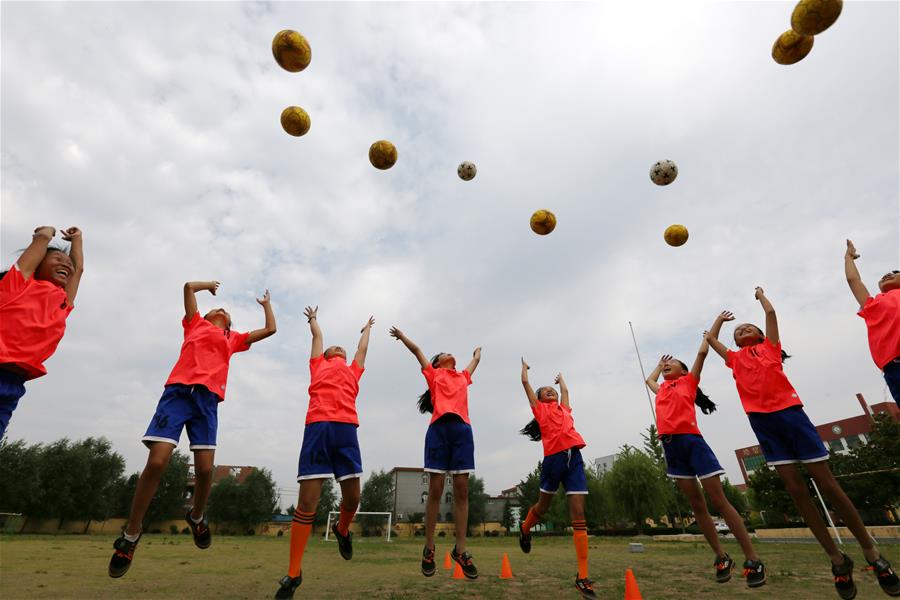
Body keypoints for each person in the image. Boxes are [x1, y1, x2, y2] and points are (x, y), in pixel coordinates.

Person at [706, 288, 899, 599]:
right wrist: (718, 320)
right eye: (738, 330)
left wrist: (761, 297)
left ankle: (872, 554)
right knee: (797, 492)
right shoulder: (734, 359)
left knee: (828, 484)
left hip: (791, 415)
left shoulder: (770, 347)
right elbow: (712, 341)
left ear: (759, 335)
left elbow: (770, 316)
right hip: (764, 423)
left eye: (748, 327)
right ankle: (837, 560)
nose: (742, 329)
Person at [108, 281, 277, 578]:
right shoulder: (194, 324)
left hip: (207, 402)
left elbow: (270, 330)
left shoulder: (233, 338)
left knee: (204, 470)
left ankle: (197, 516)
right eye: (217, 307)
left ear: (229, 324)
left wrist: (266, 306)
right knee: (158, 461)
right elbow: (187, 287)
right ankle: (132, 535)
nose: (221, 309)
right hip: (177, 396)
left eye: (225, 311)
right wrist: (206, 286)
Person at [645, 331, 765, 588]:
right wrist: (658, 365)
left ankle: (753, 559)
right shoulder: (662, 389)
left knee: (718, 501)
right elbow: (649, 380)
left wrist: (714, 329)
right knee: (697, 506)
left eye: (671, 363)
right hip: (672, 449)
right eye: (666, 364)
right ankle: (721, 557)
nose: (667, 365)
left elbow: (702, 353)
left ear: (684, 371)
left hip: (693, 444)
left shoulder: (688, 382)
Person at [275, 307, 374, 599]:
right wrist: (313, 319)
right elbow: (317, 336)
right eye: (334, 346)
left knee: (353, 497)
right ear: (326, 354)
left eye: (341, 347)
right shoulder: (317, 363)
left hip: (346, 430)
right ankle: (293, 573)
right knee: (307, 503)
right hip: (317, 428)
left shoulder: (353, 369)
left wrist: (367, 328)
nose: (338, 347)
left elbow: (362, 348)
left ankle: (343, 530)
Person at [389, 326, 481, 579]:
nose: (450, 354)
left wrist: (477, 355)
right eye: (443, 353)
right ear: (437, 363)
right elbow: (418, 350)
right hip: (439, 431)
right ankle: (429, 547)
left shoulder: (462, 377)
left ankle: (460, 550)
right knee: (436, 490)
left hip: (463, 432)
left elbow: (474, 364)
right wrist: (402, 336)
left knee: (462, 491)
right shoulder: (433, 374)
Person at [517, 358, 595, 598]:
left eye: (551, 390)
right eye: (544, 391)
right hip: (553, 461)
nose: (549, 391)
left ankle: (582, 577)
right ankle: (525, 527)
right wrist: (525, 370)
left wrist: (561, 381)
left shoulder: (565, 409)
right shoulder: (540, 410)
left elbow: (566, 392)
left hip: (575, 460)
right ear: (539, 399)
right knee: (543, 506)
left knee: (579, 515)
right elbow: (525, 384)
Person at [0, 225, 84, 439]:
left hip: (14, 385)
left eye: (68, 264)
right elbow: (34, 252)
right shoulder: (18, 285)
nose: (66, 264)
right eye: (57, 259)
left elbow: (79, 269)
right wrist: (44, 235)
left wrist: (78, 241)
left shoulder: (63, 301)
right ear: (38, 264)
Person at [844, 239, 900, 407]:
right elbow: (853, 280)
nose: (888, 274)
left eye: (895, 272)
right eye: (884, 276)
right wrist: (848, 258)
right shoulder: (873, 304)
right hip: (894, 368)